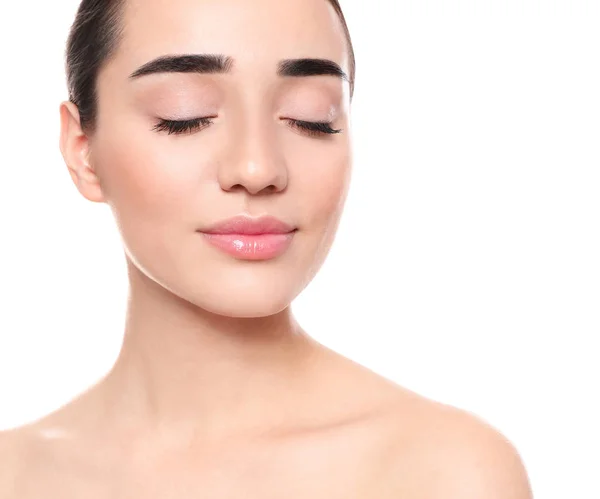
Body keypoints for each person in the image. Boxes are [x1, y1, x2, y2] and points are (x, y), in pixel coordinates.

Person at [0, 0, 533, 496]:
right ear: (82, 152)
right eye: (184, 115)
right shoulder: (14, 474)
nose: (257, 169)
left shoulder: (444, 472)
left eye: (311, 117)